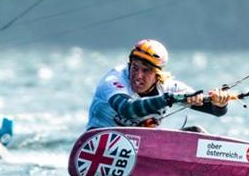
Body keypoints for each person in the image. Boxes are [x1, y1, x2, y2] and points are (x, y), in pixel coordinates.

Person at [86, 39, 231, 131]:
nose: (138, 76)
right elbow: (128, 109)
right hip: (98, 144)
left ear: (157, 74)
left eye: (146, 70)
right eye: (134, 67)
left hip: (141, 148)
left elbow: (215, 111)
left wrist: (220, 103)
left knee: (197, 133)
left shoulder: (169, 87)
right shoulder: (113, 80)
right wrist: (168, 99)